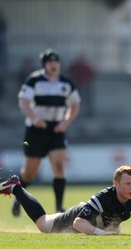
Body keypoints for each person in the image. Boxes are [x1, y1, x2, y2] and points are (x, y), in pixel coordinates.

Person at [0, 165, 131, 236]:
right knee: (43, 225)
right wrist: (101, 233)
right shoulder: (102, 199)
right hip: (79, 215)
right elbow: (78, 223)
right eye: (127, 184)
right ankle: (15, 187)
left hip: (93, 221)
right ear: (116, 184)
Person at [13, 48, 81, 217]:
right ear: (44, 65)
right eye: (50, 62)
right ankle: (18, 197)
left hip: (56, 129)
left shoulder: (66, 82)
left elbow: (75, 104)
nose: (53, 65)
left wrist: (65, 122)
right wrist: (34, 118)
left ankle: (59, 208)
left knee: (58, 165)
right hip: (35, 130)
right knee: (30, 172)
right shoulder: (34, 80)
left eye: (56, 61)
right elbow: (23, 102)